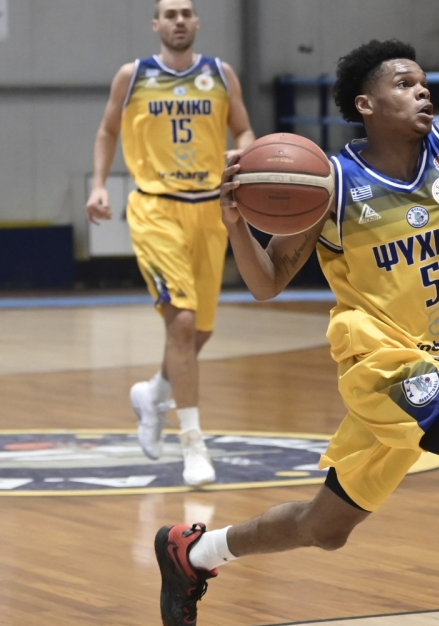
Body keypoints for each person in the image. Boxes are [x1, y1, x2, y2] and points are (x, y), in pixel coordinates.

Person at [151, 39, 439, 626]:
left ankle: (193, 553)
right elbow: (266, 282)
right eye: (404, 84)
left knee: (325, 528)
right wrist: (235, 224)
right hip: (381, 363)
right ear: (366, 104)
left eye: (423, 82)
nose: (422, 90)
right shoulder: (330, 185)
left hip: (437, 364)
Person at [86, 0, 255, 487]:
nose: (179, 20)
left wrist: (245, 153)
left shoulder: (220, 73)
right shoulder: (133, 75)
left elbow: (243, 128)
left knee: (198, 332)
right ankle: (193, 444)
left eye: (186, 12)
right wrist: (99, 185)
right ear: (156, 24)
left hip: (210, 210)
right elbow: (107, 130)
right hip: (156, 209)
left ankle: (154, 392)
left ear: (196, 22)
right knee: (180, 322)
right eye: (170, 13)